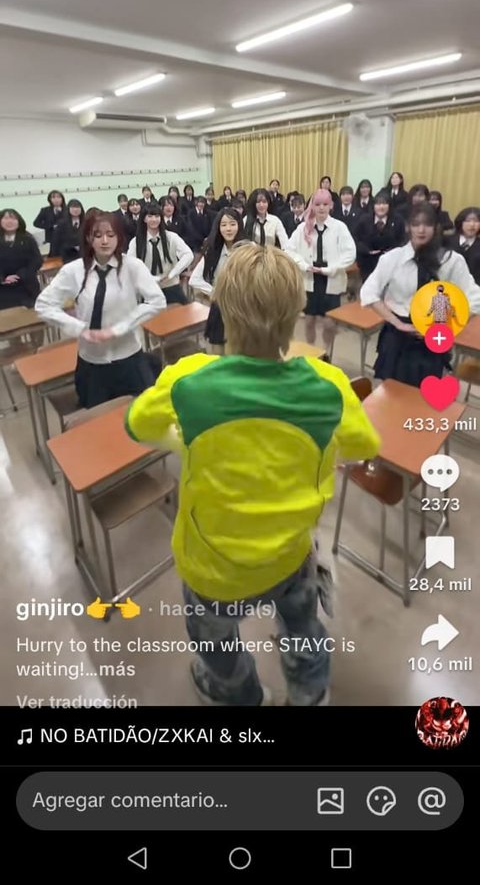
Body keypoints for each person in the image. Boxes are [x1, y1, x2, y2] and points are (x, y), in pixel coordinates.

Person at [125, 244, 380, 707]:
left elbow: (138, 425)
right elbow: (365, 445)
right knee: (302, 626)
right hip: (290, 553)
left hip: (212, 565)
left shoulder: (189, 379)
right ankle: (308, 694)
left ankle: (240, 694)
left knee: (215, 641)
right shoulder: (327, 385)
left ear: (222, 310)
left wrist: (184, 441)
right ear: (296, 311)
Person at [35, 211, 166, 408]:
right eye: (98, 235)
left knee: (141, 414)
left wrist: (120, 328)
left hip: (129, 357)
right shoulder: (74, 270)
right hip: (91, 363)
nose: (105, 241)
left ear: (119, 237)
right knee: (98, 418)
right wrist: (79, 328)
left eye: (111, 235)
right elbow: (43, 305)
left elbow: (157, 301)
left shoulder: (132, 267)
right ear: (88, 238)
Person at [360, 203, 480, 386]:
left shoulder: (451, 261)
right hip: (398, 335)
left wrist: (448, 327)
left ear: (436, 227)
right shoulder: (393, 258)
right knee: (390, 391)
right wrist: (398, 323)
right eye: (416, 224)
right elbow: (368, 293)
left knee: (426, 392)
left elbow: (475, 299)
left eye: (427, 224)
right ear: (408, 227)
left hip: (434, 335)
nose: (421, 230)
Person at [286, 188, 356, 354]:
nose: (321, 208)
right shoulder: (303, 228)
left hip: (331, 278)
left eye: (325, 204)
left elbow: (350, 253)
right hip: (310, 278)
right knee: (309, 320)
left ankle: (326, 351)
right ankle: (311, 351)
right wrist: (303, 265)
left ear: (331, 205)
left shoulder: (339, 227)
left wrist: (331, 269)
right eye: (317, 204)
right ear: (312, 206)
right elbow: (288, 249)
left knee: (329, 322)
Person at [189, 209, 245, 353]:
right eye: (224, 225)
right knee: (218, 352)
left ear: (239, 225)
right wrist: (215, 292)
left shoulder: (248, 249)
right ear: (218, 227)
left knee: (239, 352)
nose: (228, 229)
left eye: (232, 224)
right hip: (220, 308)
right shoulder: (213, 250)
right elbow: (194, 279)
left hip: (243, 308)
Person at [128, 201, 193, 305]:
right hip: (148, 289)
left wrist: (173, 273)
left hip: (171, 286)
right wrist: (152, 279)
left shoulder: (171, 237)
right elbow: (130, 266)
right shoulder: (136, 242)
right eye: (150, 216)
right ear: (144, 219)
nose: (154, 219)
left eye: (157, 216)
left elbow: (188, 254)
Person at [355, 191, 405, 282]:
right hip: (368, 264)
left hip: (391, 264)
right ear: (373, 206)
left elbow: (403, 240)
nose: (381, 207)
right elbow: (355, 239)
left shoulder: (398, 220)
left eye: (384, 203)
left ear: (389, 205)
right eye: (378, 204)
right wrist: (367, 250)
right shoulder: (364, 220)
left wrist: (393, 251)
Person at [0, 208, 42, 311]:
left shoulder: (28, 239)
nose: (9, 221)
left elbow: (37, 260)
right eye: (6, 218)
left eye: (13, 218)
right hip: (3, 288)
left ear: (19, 222)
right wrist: (3, 278)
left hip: (26, 284)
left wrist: (21, 274)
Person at [449, 207, 480, 285]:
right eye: (468, 221)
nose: (472, 225)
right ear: (460, 222)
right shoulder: (447, 241)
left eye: (476, 221)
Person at [51, 199, 85, 264]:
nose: (75, 210)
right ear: (68, 209)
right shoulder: (62, 224)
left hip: (83, 255)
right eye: (73, 207)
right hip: (67, 256)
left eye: (78, 207)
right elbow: (56, 240)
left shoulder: (86, 222)